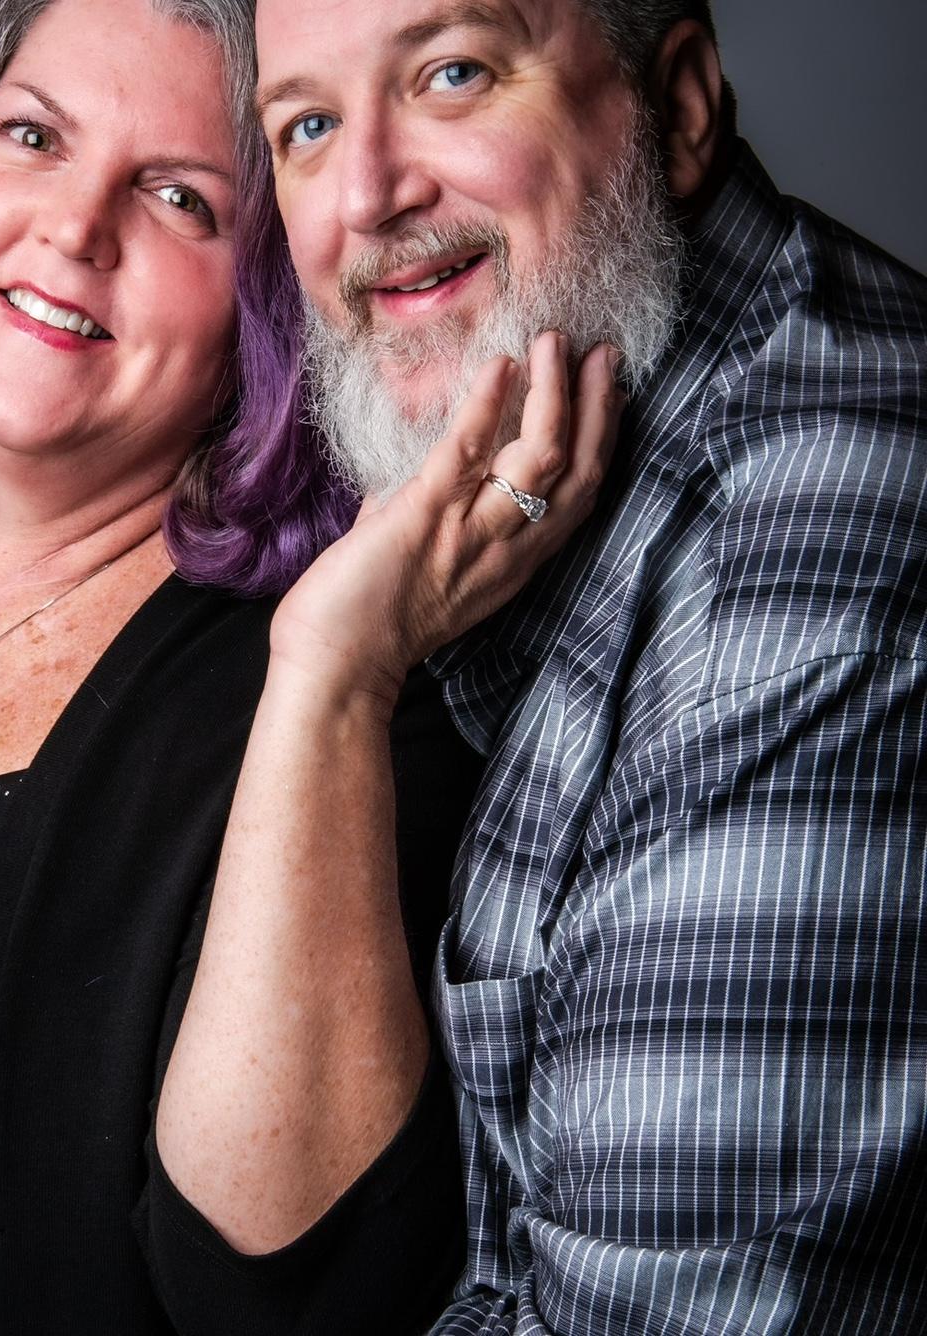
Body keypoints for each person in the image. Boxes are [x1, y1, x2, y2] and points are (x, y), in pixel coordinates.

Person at [0, 0, 623, 1332]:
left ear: (271, 310)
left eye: (182, 201)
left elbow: (282, 1297)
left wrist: (334, 678)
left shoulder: (336, 681)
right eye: (29, 135)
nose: (74, 230)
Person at [242, 0, 925, 1332]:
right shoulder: (536, 381)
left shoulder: (800, 585)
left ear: (675, 108)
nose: (368, 196)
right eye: (308, 125)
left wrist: (328, 672)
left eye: (451, 74)